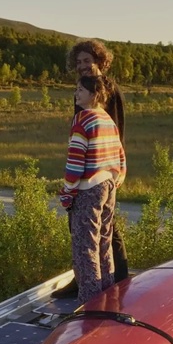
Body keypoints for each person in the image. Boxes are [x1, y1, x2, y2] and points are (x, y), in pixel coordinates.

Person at [61, 74, 126, 303]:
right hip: (109, 185)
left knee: (85, 245)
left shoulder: (82, 120)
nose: (76, 93)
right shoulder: (108, 119)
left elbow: (75, 161)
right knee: (104, 239)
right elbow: (120, 154)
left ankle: (90, 302)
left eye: (80, 90)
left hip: (89, 187)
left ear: (94, 95)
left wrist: (68, 191)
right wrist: (117, 178)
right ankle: (107, 293)